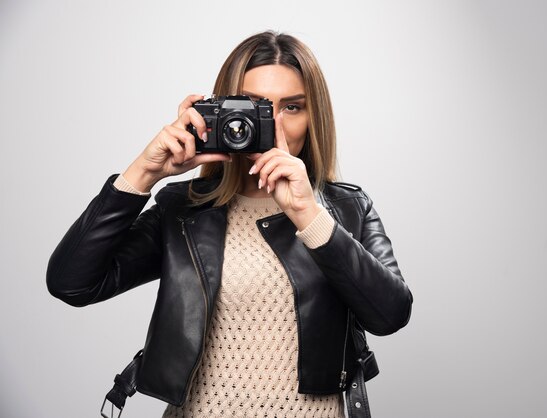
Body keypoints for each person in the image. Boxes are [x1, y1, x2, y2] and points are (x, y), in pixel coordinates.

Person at [47, 31, 412, 418]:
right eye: (255, 106)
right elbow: (72, 283)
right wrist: (143, 173)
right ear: (223, 111)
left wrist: (308, 214)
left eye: (291, 108)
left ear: (313, 116)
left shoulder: (346, 209)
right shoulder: (185, 212)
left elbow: (390, 315)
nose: (273, 125)